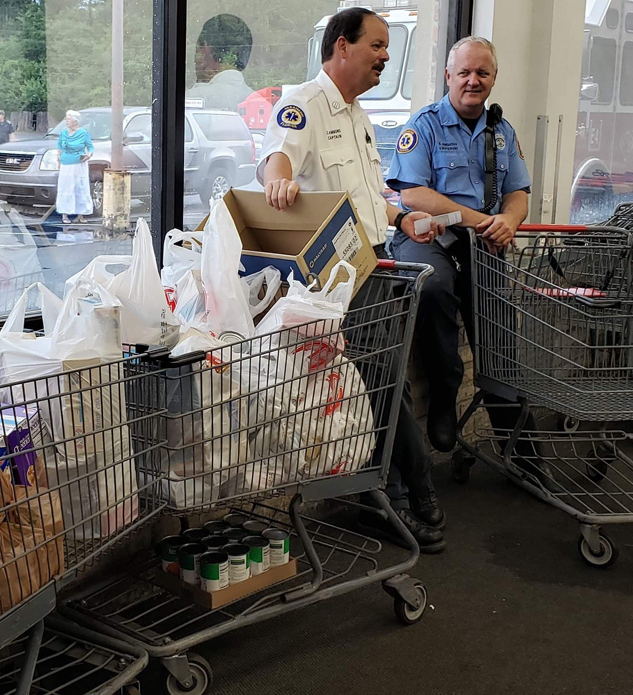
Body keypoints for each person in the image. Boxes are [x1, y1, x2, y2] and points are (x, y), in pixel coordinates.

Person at [259, 7, 447, 553]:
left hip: (375, 262)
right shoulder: (304, 105)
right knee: (381, 380)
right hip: (338, 275)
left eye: (387, 48)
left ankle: (391, 496)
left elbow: (365, 197)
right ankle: (411, 493)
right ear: (342, 45)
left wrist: (401, 217)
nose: (385, 56)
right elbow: (276, 160)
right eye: (377, 45)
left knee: (386, 382)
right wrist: (278, 184)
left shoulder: (358, 115)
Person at [386, 37, 559, 490]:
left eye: (482, 73)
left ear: (493, 78)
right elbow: (413, 195)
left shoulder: (503, 132)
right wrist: (484, 220)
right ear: (448, 76)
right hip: (429, 238)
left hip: (482, 245)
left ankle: (522, 453)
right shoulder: (423, 126)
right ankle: (445, 399)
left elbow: (517, 193)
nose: (472, 80)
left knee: (499, 341)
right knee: (433, 286)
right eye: (463, 72)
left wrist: (509, 221)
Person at [185, 14, 256, 112]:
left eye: (197, 49)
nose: (195, 61)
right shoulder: (262, 104)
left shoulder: (191, 101)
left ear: (206, 48)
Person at [56, 110, 94, 224]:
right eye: (66, 119)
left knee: (80, 188)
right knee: (66, 188)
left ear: (75, 121)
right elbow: (59, 146)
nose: (66, 121)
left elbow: (90, 147)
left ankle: (80, 215)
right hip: (66, 165)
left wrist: (89, 155)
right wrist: (58, 158)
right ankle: (65, 214)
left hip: (79, 164)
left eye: (68, 119)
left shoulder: (83, 133)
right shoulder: (63, 133)